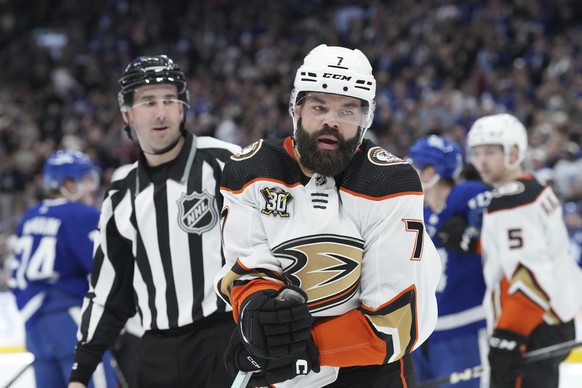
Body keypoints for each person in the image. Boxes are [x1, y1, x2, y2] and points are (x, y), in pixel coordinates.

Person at [214, 44, 441, 387]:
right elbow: (249, 266)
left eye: (348, 110)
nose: (331, 121)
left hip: (371, 376)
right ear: (296, 108)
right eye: (319, 106)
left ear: (367, 119)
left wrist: (297, 350)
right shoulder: (252, 168)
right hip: (283, 376)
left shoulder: (389, 182)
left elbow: (397, 322)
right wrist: (256, 312)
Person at [68, 55, 241, 388]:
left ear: (182, 109)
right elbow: (109, 289)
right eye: (148, 102)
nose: (161, 112)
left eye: (169, 100)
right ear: (127, 114)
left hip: (226, 341)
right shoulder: (121, 190)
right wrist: (81, 371)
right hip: (155, 354)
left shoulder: (225, 162)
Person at [467, 113, 582, 388]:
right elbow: (528, 250)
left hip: (532, 325)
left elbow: (529, 276)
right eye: (477, 152)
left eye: (491, 152)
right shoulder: (534, 188)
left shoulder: (511, 200)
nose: (482, 161)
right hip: (555, 319)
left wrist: (509, 335)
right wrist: (475, 243)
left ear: (514, 152)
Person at [10, 150, 117, 388]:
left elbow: (16, 278)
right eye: (87, 180)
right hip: (71, 318)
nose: (92, 187)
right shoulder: (81, 215)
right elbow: (103, 271)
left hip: (34, 325)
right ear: (69, 184)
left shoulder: (30, 216)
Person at [406, 135, 491, 388]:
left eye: (414, 166)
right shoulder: (419, 210)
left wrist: (474, 235)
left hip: (464, 324)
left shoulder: (467, 193)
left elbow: (498, 230)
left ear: (430, 171)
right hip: (423, 332)